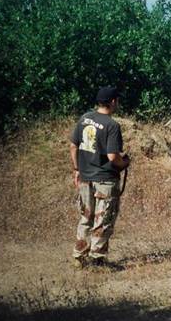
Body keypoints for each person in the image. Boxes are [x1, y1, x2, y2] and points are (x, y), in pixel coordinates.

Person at [69, 87, 129, 268]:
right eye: (117, 100)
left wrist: (77, 169)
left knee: (86, 218)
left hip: (85, 178)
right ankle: (97, 260)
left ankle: (79, 258)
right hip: (105, 181)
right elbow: (113, 157)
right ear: (112, 102)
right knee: (103, 220)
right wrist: (124, 163)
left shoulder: (84, 118)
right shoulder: (112, 125)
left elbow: (73, 146)